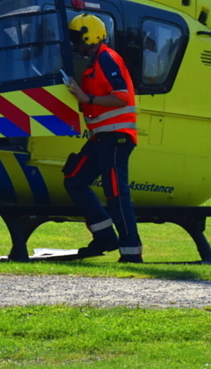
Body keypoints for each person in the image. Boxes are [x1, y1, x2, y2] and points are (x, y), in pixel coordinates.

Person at [62, 13, 143, 264]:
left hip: (116, 137)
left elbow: (121, 96)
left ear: (90, 36)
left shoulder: (107, 59)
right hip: (101, 138)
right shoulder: (96, 62)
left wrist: (88, 99)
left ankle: (131, 252)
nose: (75, 46)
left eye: (77, 40)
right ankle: (105, 236)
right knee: (74, 179)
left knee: (117, 194)